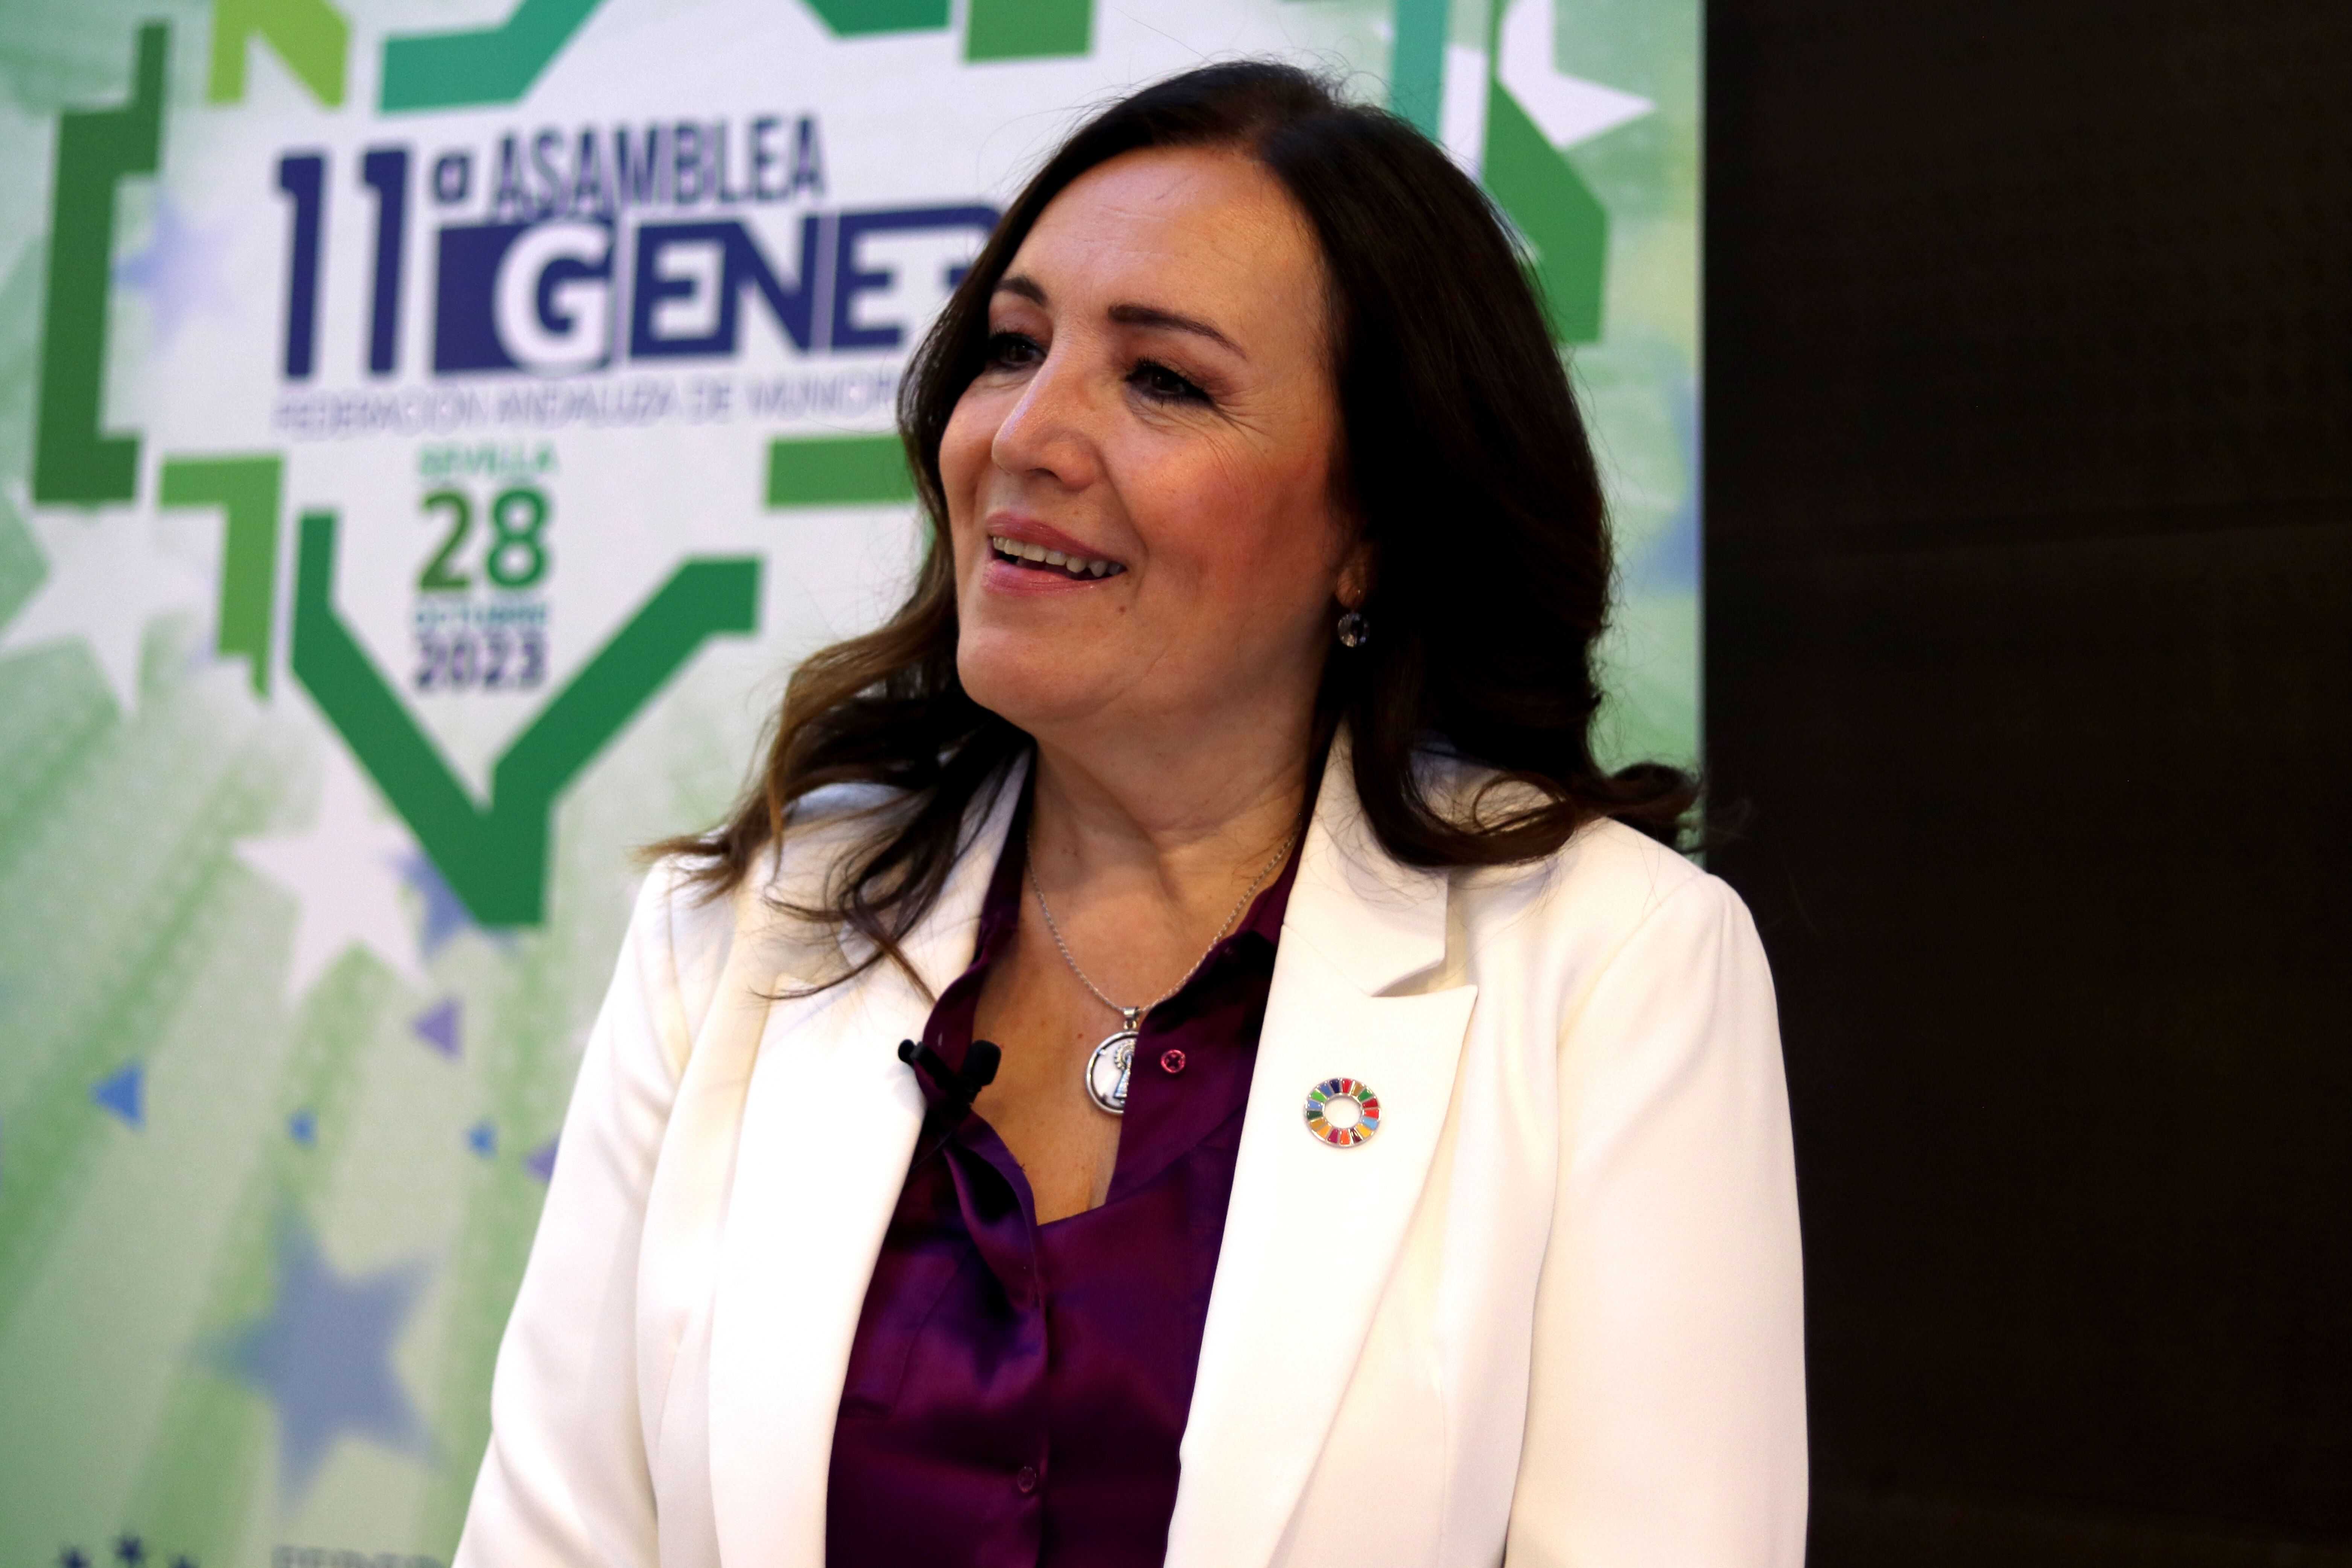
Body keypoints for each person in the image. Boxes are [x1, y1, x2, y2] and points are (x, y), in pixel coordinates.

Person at [455, 60, 1804, 1568]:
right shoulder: (736, 934)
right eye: (1011, 347)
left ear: (1374, 528)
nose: (1025, 434)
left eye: (1162, 380)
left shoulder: (1615, 964)